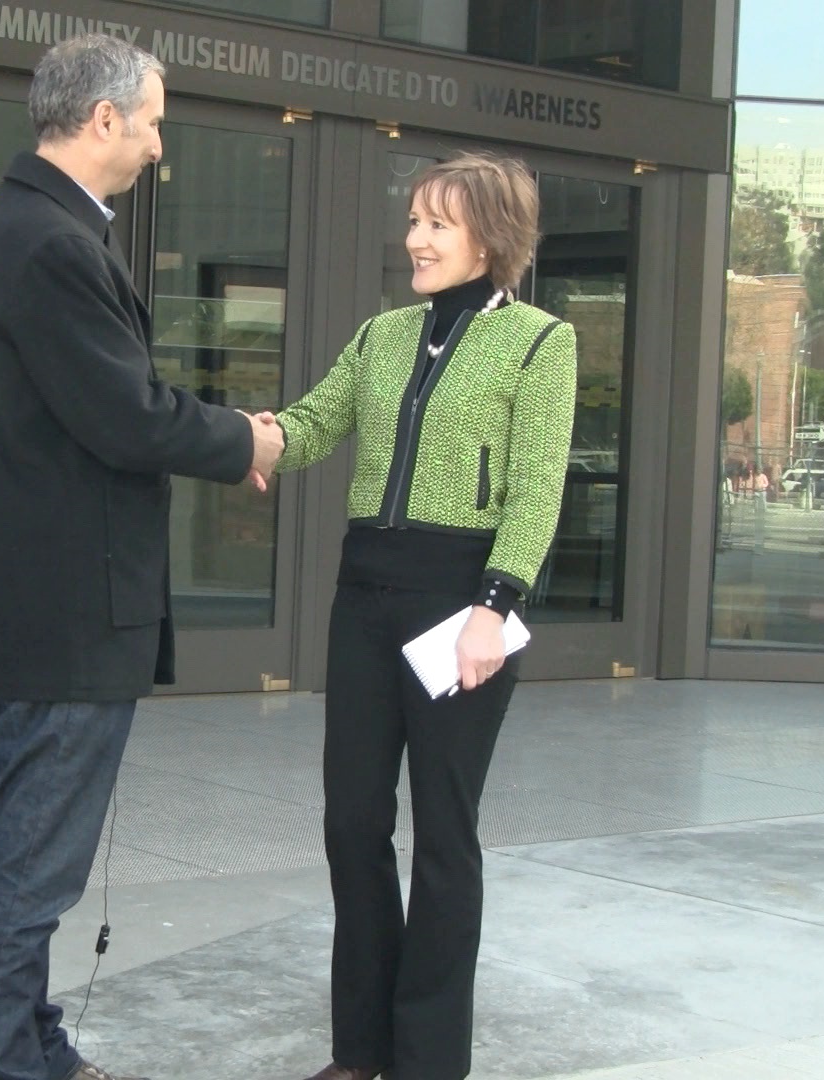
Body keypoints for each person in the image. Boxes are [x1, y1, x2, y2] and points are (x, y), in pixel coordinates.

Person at [0, 34, 284, 1080]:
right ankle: (1, 1063)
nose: (159, 145)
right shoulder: (47, 242)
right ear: (102, 120)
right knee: (30, 869)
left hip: (49, 607)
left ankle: (31, 1042)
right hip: (68, 614)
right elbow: (123, 417)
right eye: (154, 121)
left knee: (29, 854)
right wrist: (245, 440)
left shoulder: (34, 228)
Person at [257, 152, 576, 1080]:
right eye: (414, 221)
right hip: (364, 600)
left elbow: (536, 490)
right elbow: (315, 423)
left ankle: (429, 1058)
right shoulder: (382, 334)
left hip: (461, 606)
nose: (415, 238)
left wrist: (495, 604)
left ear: (491, 233)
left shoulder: (540, 343)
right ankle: (360, 1050)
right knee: (351, 823)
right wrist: (248, 438)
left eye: (437, 222)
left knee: (444, 832)